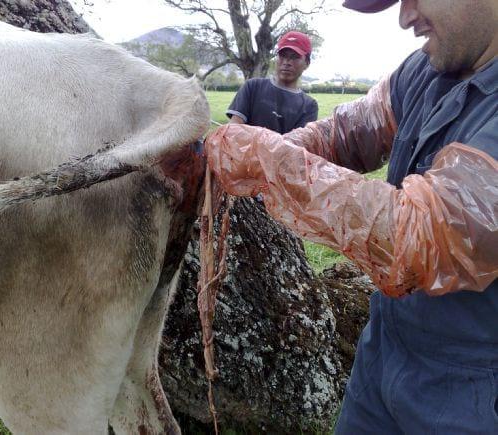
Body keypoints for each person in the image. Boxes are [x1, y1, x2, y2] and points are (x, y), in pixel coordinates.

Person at [205, 0, 498, 433]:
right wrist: (261, 147)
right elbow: (345, 133)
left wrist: (269, 162)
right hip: (384, 351)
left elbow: (424, 234)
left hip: (474, 388)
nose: (405, 17)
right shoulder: (424, 70)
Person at [226, 30, 319, 134]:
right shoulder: (252, 87)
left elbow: (298, 144)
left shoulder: (309, 106)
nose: (287, 62)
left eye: (294, 57)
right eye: (283, 55)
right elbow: (233, 130)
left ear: (307, 63)